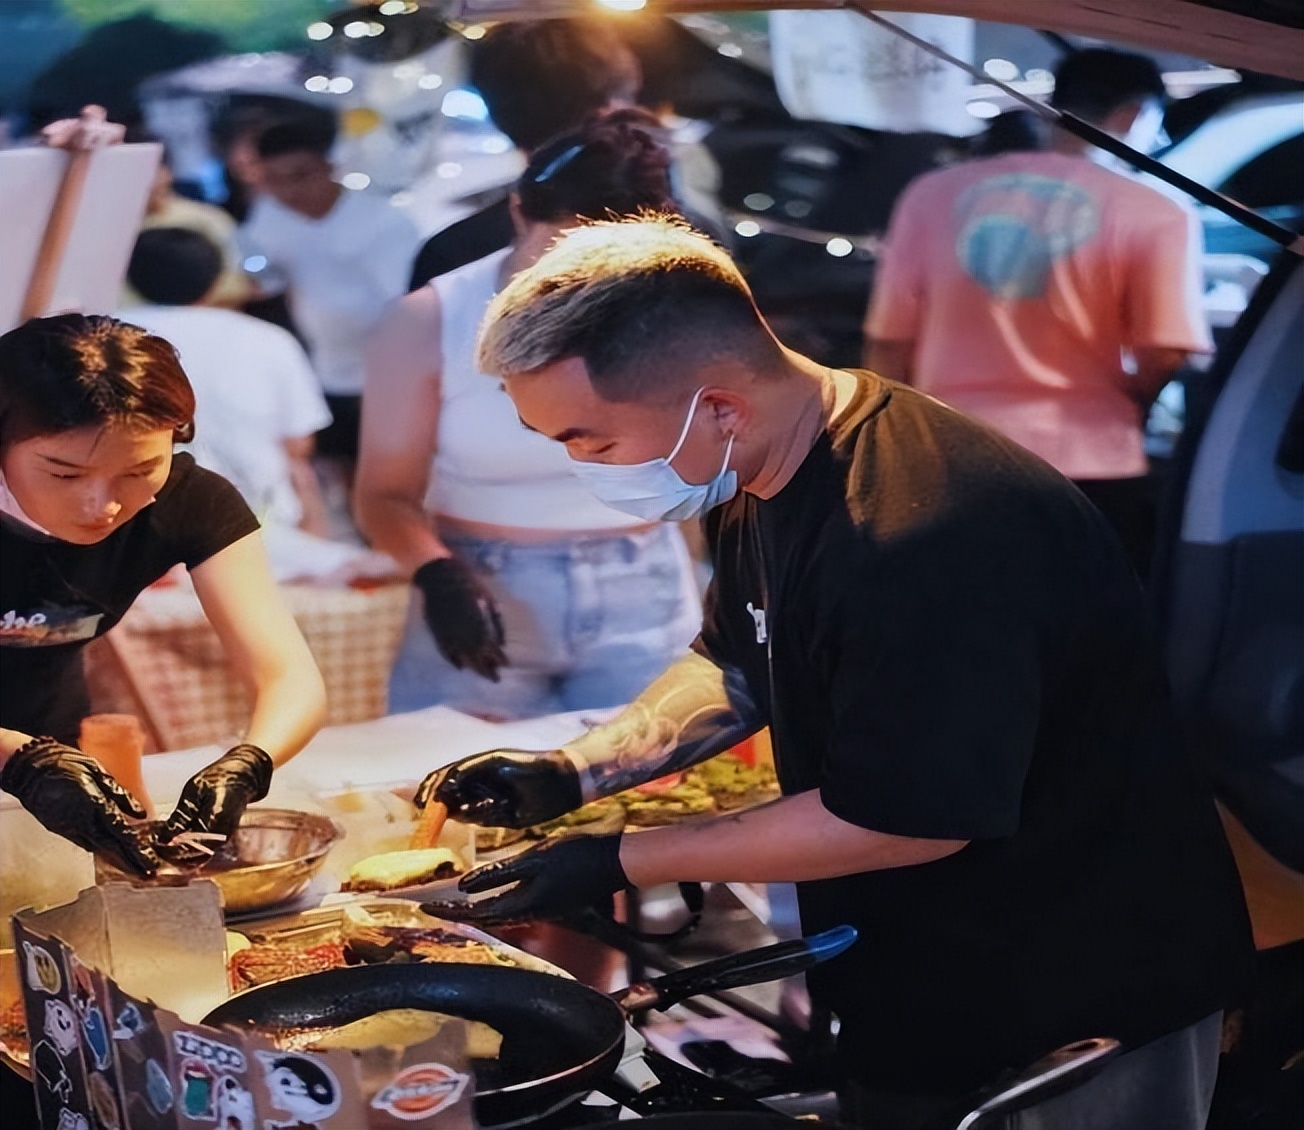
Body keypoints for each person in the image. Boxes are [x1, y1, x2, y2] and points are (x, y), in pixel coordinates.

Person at [413, 217, 1252, 1130]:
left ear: (721, 404)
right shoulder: (759, 468)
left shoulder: (926, 534)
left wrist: (617, 857)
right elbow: (734, 660)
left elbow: (904, 820)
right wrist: (574, 773)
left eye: (590, 441)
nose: (577, 466)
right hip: (919, 961)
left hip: (1078, 981)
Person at [357, 110, 701, 718]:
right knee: (447, 796)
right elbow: (383, 493)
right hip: (484, 586)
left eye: (606, 257)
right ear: (519, 213)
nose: (577, 276)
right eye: (563, 248)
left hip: (644, 591)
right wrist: (438, 576)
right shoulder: (431, 318)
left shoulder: (679, 310)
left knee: (654, 800)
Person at [0, 314, 327, 878]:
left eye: (139, 470)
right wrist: (19, 761)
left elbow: (289, 678)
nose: (101, 505)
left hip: (51, 747)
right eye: (64, 474)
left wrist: (249, 763)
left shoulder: (191, 503)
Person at [864, 49, 1211, 579]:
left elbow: (888, 344)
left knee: (954, 627)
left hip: (948, 461)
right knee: (1076, 637)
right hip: (1090, 464)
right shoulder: (1158, 211)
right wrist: (1129, 400)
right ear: (1135, 115)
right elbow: (1166, 350)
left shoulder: (931, 196)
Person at [121, 227, 332, 535]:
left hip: (135, 520)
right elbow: (298, 446)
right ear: (217, 278)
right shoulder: (269, 339)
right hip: (260, 522)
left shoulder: (106, 337)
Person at [406, 16, 642, 291]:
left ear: (497, 113)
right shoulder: (672, 235)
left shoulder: (450, 253)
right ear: (610, 109)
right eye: (631, 96)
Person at [238, 118, 422, 463]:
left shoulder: (382, 221)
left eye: (300, 176)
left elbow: (407, 303)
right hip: (329, 372)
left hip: (391, 372)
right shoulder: (269, 218)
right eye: (274, 181)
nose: (290, 192)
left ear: (328, 166)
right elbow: (267, 278)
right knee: (345, 464)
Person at [119, 134, 254, 310]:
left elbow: (238, 283)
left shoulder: (209, 219)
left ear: (167, 172)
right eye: (134, 174)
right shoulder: (95, 228)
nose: (150, 182)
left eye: (154, 170)